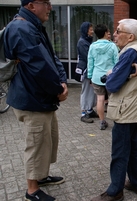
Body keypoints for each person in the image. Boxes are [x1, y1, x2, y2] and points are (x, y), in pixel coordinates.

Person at [3, 0, 69, 200]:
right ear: (32, 5)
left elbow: (51, 57)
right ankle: (32, 190)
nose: (50, 7)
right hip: (32, 99)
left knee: (47, 140)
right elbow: (39, 66)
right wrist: (58, 89)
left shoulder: (33, 26)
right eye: (46, 3)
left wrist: (62, 81)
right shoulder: (22, 28)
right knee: (36, 142)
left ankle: (41, 176)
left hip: (40, 97)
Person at [90, 19, 137, 201]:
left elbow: (111, 84)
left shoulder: (130, 52)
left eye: (118, 31)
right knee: (132, 147)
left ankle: (115, 191)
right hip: (134, 107)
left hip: (126, 108)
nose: (115, 34)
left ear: (131, 36)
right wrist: (116, 74)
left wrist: (112, 75)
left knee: (119, 151)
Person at [87, 24, 118, 130]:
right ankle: (116, 121)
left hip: (96, 76)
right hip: (110, 77)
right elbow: (117, 62)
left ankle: (102, 121)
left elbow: (90, 62)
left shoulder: (92, 46)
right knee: (113, 100)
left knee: (100, 99)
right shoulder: (112, 46)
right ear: (105, 33)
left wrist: (90, 76)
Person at [77, 22, 98, 123]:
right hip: (85, 69)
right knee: (86, 90)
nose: (92, 31)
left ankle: (90, 110)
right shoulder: (82, 42)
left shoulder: (87, 41)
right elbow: (88, 57)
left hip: (90, 69)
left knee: (91, 91)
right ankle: (83, 113)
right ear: (85, 30)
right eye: (90, 29)